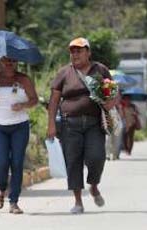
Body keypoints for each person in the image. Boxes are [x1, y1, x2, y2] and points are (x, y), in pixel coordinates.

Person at [46, 37, 117, 214]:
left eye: (79, 50)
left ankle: (93, 185)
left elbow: (115, 92)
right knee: (73, 162)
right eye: (72, 51)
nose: (75, 54)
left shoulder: (100, 70)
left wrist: (111, 103)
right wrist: (51, 125)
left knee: (97, 157)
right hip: (70, 124)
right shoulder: (64, 73)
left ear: (88, 52)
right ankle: (78, 201)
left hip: (94, 123)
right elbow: (54, 100)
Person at [0, 56, 38, 214]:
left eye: (12, 60)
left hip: (20, 126)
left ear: (17, 62)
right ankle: (1, 190)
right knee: (2, 162)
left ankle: (14, 202)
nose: (9, 64)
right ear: (0, 62)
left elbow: (34, 100)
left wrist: (23, 105)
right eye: (6, 61)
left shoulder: (23, 79)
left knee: (17, 163)